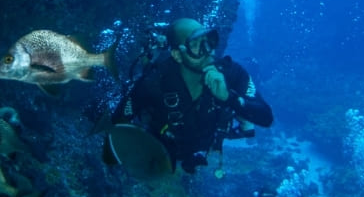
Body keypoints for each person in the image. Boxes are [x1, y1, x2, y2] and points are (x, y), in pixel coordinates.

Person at [112, 17, 273, 175]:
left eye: (208, 41)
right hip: (165, 151)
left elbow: (266, 117)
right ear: (177, 54)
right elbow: (118, 123)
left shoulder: (231, 73)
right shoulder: (154, 82)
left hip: (206, 141)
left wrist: (229, 98)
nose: (207, 51)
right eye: (195, 45)